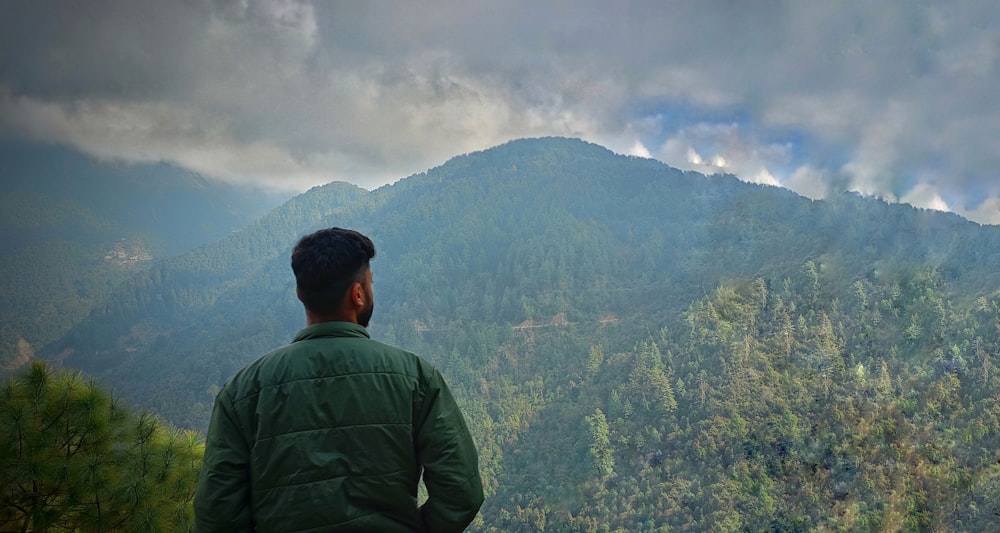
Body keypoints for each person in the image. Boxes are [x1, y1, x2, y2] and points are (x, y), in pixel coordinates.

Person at [194, 227, 484, 532]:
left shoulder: (243, 391)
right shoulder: (416, 378)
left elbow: (216, 514)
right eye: (370, 284)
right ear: (357, 294)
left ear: (300, 294)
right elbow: (461, 492)